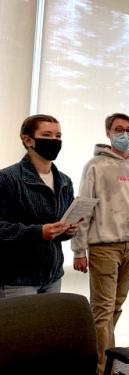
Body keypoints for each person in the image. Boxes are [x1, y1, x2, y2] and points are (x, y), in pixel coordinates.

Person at [72, 113, 129, 375]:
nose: (125, 134)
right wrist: (79, 249)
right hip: (103, 247)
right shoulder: (95, 166)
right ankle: (100, 368)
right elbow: (84, 208)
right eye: (119, 129)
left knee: (115, 307)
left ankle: (106, 361)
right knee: (103, 310)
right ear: (108, 133)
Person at [0, 114, 79, 298]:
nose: (54, 141)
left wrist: (68, 230)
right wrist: (38, 232)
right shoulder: (7, 179)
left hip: (53, 276)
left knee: (48, 327)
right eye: (47, 135)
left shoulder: (65, 181)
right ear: (28, 140)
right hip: (18, 279)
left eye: (58, 136)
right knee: (22, 328)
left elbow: (59, 232)